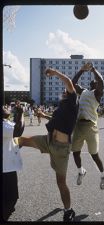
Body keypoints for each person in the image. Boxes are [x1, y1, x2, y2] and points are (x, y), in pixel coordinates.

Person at [14, 68, 78, 222]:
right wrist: (44, 116)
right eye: (64, 91)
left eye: (65, 91)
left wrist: (55, 73)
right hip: (48, 140)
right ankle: (7, 161)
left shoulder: (72, 102)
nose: (64, 92)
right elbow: (58, 121)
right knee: (21, 140)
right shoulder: (62, 107)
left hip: (61, 149)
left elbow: (69, 82)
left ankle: (68, 210)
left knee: (60, 182)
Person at [71, 62, 104, 189]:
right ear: (91, 84)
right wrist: (81, 70)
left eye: (97, 82)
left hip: (91, 126)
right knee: (75, 152)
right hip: (79, 125)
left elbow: (101, 80)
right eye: (94, 82)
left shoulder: (97, 95)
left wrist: (92, 69)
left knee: (94, 155)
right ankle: (81, 171)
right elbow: (72, 83)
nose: (96, 82)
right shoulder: (84, 91)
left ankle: (103, 175)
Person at [2, 108, 23, 220]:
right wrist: (20, 112)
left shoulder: (6, 124)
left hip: (6, 164)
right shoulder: (4, 126)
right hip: (6, 166)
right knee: (11, 195)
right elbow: (18, 129)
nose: (6, 108)